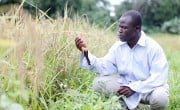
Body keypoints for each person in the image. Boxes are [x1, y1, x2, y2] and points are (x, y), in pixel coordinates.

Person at [75, 10, 169, 110]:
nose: (120, 30)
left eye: (124, 27)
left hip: (148, 89)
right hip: (126, 88)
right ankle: (130, 108)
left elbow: (159, 78)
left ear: (137, 29)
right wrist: (86, 53)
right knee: (99, 83)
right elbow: (103, 67)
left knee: (160, 97)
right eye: (119, 27)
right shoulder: (118, 47)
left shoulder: (152, 47)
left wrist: (134, 87)